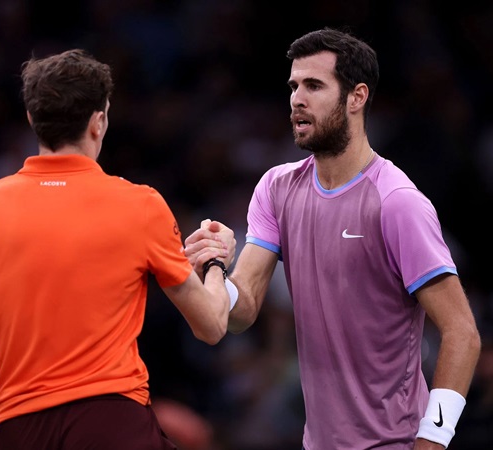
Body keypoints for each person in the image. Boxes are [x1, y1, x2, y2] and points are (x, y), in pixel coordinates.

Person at [0, 49, 234, 450]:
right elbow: (211, 326)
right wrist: (217, 262)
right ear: (99, 122)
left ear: (33, 119)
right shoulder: (140, 204)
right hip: (112, 424)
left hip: (18, 431)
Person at [184, 27, 481, 450]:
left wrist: (432, 441)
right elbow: (243, 309)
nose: (297, 99)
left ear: (356, 97)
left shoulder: (397, 202)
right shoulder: (276, 188)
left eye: (314, 86)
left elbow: (462, 332)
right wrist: (213, 269)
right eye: (293, 86)